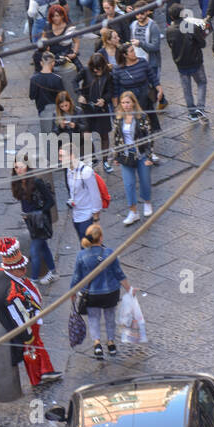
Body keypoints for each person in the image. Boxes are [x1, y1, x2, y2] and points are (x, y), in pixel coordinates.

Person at [0, 237, 62, 387]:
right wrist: (27, 335)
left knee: (36, 346)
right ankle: (37, 377)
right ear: (12, 269)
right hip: (25, 323)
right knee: (31, 349)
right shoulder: (12, 293)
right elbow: (19, 317)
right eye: (21, 269)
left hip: (27, 317)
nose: (24, 271)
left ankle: (45, 370)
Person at [69, 221, 133, 359]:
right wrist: (129, 289)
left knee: (93, 318)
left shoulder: (81, 255)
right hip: (110, 293)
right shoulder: (109, 253)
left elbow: (76, 277)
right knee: (110, 317)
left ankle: (97, 344)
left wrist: (72, 292)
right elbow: (119, 274)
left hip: (91, 294)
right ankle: (111, 343)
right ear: (101, 238)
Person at [112, 92, 153, 225]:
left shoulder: (142, 117)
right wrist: (116, 156)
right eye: (123, 103)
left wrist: (149, 156)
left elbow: (149, 137)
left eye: (128, 102)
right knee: (128, 184)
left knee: (145, 180)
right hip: (125, 155)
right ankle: (133, 212)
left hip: (140, 153)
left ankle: (147, 202)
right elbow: (117, 138)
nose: (126, 105)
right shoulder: (118, 118)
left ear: (134, 103)